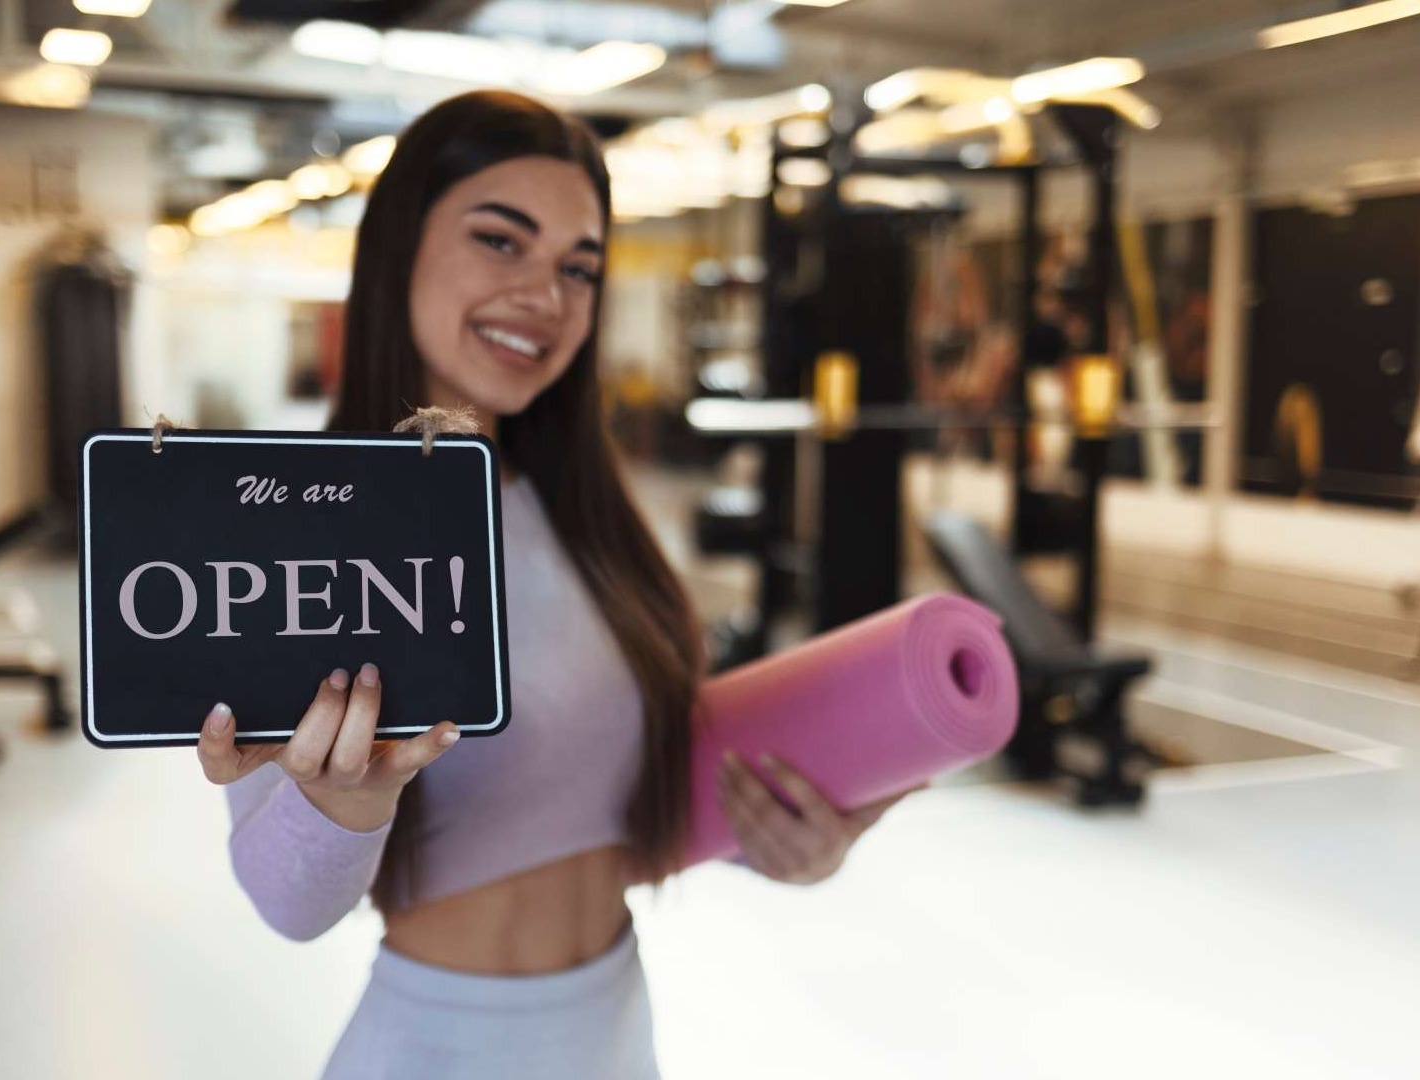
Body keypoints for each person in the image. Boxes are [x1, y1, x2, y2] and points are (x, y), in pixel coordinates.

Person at [192, 91, 914, 1079]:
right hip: (442, 1044)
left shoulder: (589, 517)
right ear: (401, 246)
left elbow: (617, 804)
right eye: (502, 242)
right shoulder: (304, 533)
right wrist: (343, 804)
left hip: (615, 1029)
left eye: (580, 266)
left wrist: (784, 839)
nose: (549, 295)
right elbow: (287, 905)